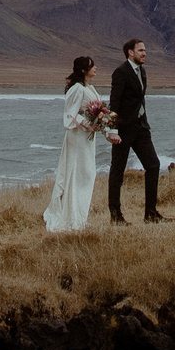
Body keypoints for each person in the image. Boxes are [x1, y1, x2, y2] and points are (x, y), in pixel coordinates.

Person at [107, 37, 170, 224]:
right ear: (130, 52)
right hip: (123, 129)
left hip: (141, 127)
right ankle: (116, 216)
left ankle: (151, 214)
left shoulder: (142, 72)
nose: (144, 53)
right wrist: (113, 129)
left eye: (145, 50)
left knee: (153, 165)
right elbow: (114, 102)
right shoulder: (120, 72)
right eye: (141, 50)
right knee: (117, 171)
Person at [42, 53, 107, 232]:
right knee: (78, 173)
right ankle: (72, 216)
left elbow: (96, 110)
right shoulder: (77, 89)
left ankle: (80, 215)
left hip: (87, 138)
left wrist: (100, 122)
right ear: (83, 70)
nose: (96, 68)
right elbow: (70, 114)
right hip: (78, 137)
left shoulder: (91, 88)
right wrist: (88, 124)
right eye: (92, 65)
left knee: (87, 173)